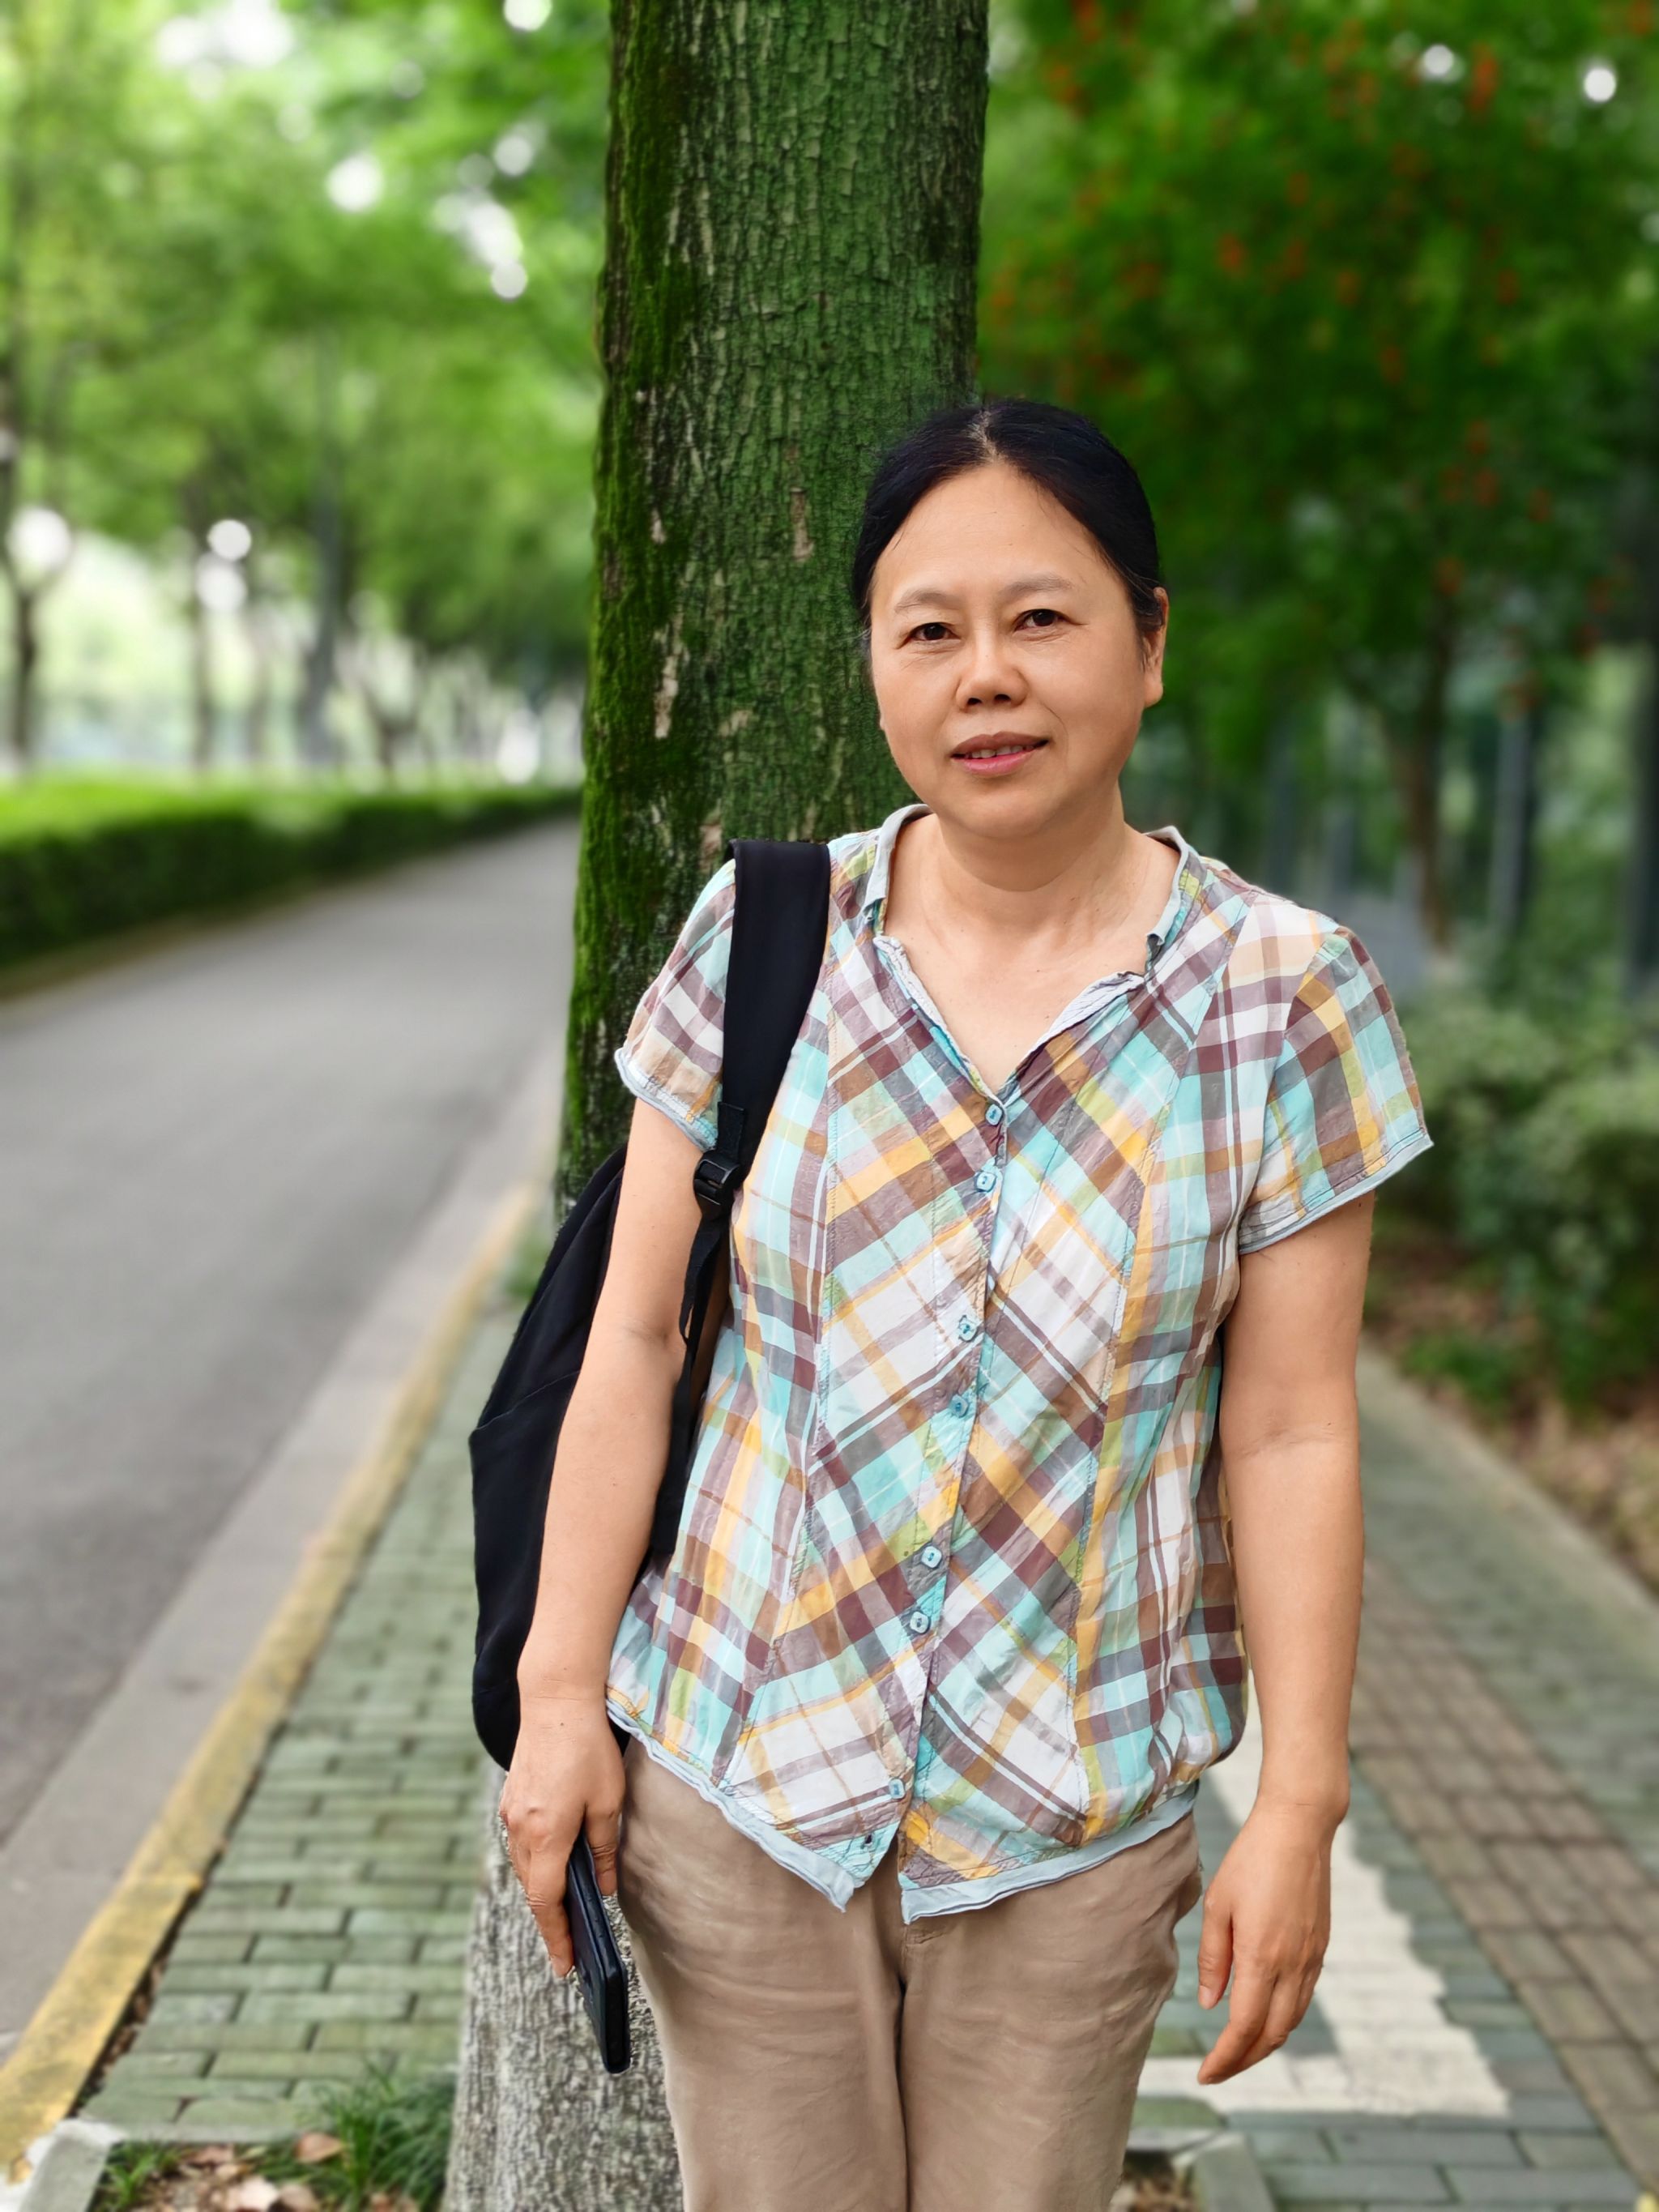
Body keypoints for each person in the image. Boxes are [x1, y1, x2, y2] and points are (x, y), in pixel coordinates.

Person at [497, 395, 1434, 2212]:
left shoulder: (1285, 994)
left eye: (1042, 617)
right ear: (874, 666)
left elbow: (1291, 1428)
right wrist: (557, 1700)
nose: (985, 674)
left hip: (1070, 1821)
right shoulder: (763, 939)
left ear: (1147, 645)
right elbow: (636, 1340)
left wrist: (1299, 1806)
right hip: (744, 1777)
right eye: (928, 629)